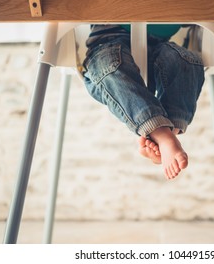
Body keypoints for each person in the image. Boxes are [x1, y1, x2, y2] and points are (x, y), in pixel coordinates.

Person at [82, 24, 204, 180]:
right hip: (107, 43)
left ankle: (165, 135)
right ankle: (162, 136)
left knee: (185, 60)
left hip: (158, 46)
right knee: (111, 66)